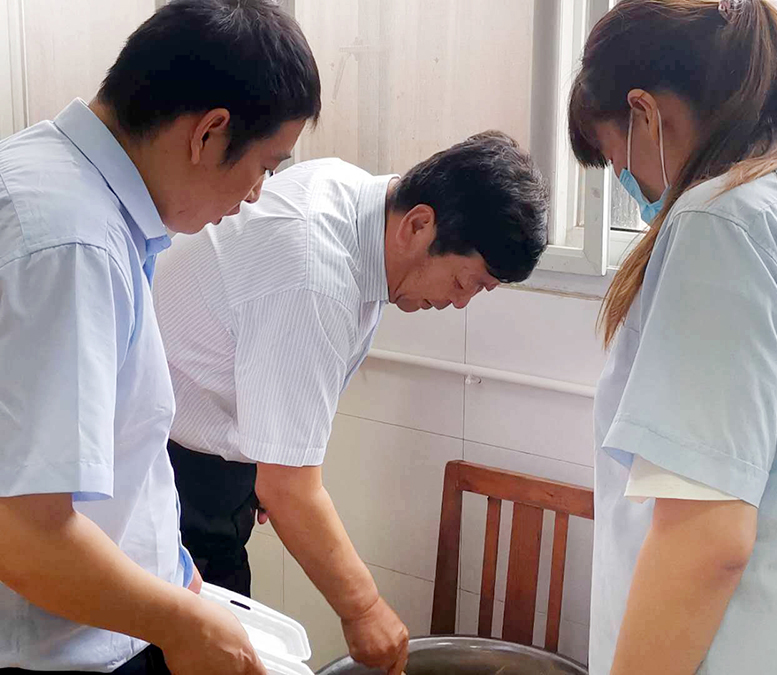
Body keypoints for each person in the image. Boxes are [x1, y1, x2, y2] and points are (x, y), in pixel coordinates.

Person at [567, 0, 777, 673]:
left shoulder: (722, 223)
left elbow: (707, 540)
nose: (631, 184)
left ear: (645, 113)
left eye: (617, 160)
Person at [152, 130, 549, 675]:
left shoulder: (358, 201)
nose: (458, 304)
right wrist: (364, 609)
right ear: (418, 225)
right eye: (464, 282)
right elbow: (289, 489)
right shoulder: (313, 271)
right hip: (168, 473)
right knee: (193, 654)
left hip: (206, 456)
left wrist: (270, 459)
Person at [0, 1, 321, 673]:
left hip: (113, 613)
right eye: (265, 166)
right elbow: (23, 533)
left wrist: (180, 577)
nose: (257, 194)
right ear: (208, 134)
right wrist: (182, 623)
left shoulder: (62, 184)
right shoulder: (73, 245)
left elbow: (121, 459)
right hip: (61, 652)